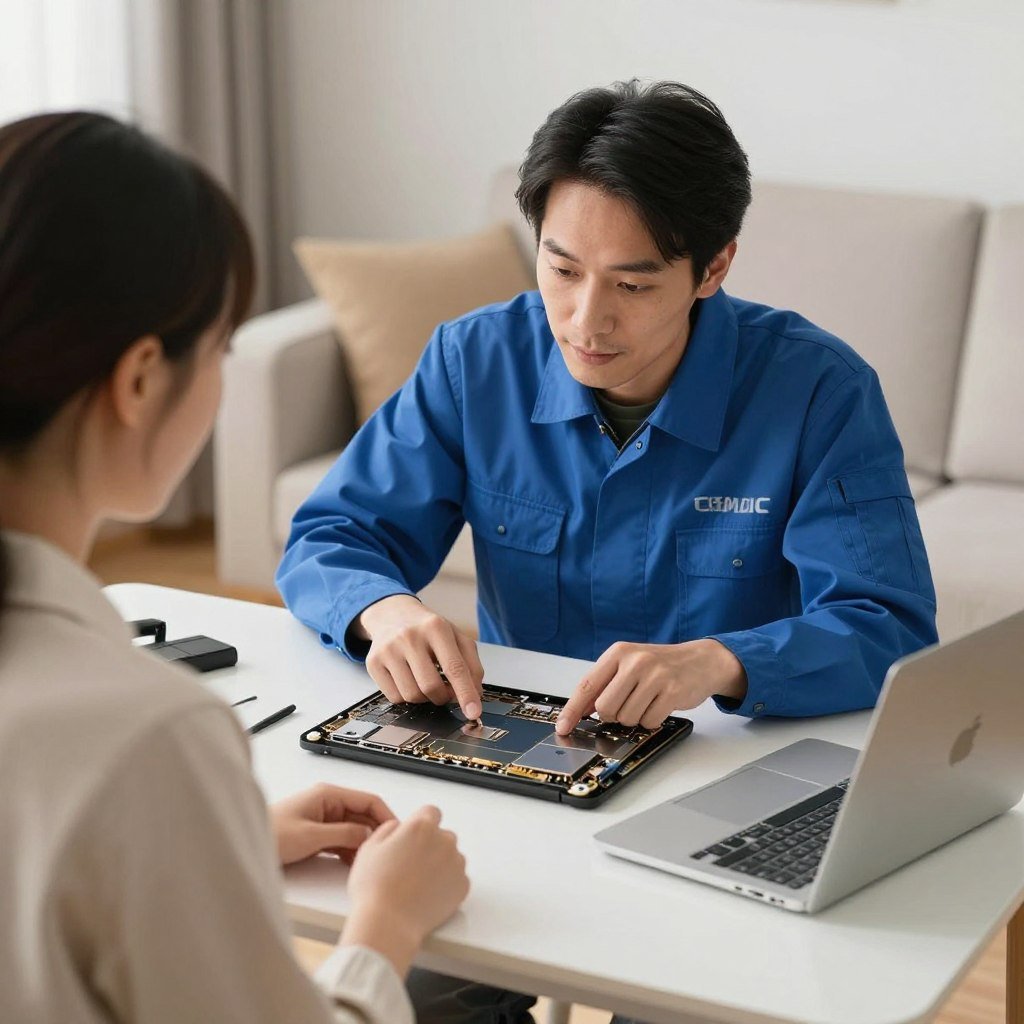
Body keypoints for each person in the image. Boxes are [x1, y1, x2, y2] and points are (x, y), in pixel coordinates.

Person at [276, 79, 938, 1024]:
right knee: (418, 1002)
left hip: (719, 800)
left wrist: (723, 660)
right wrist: (386, 610)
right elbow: (333, 536)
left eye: (633, 284)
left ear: (713, 268)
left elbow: (889, 623)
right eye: (561, 270)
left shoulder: (817, 389)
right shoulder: (475, 362)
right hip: (513, 788)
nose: (587, 321)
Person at [0, 111, 471, 1024]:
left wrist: (213, 845)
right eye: (218, 349)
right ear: (140, 381)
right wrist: (384, 926)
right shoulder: (144, 734)